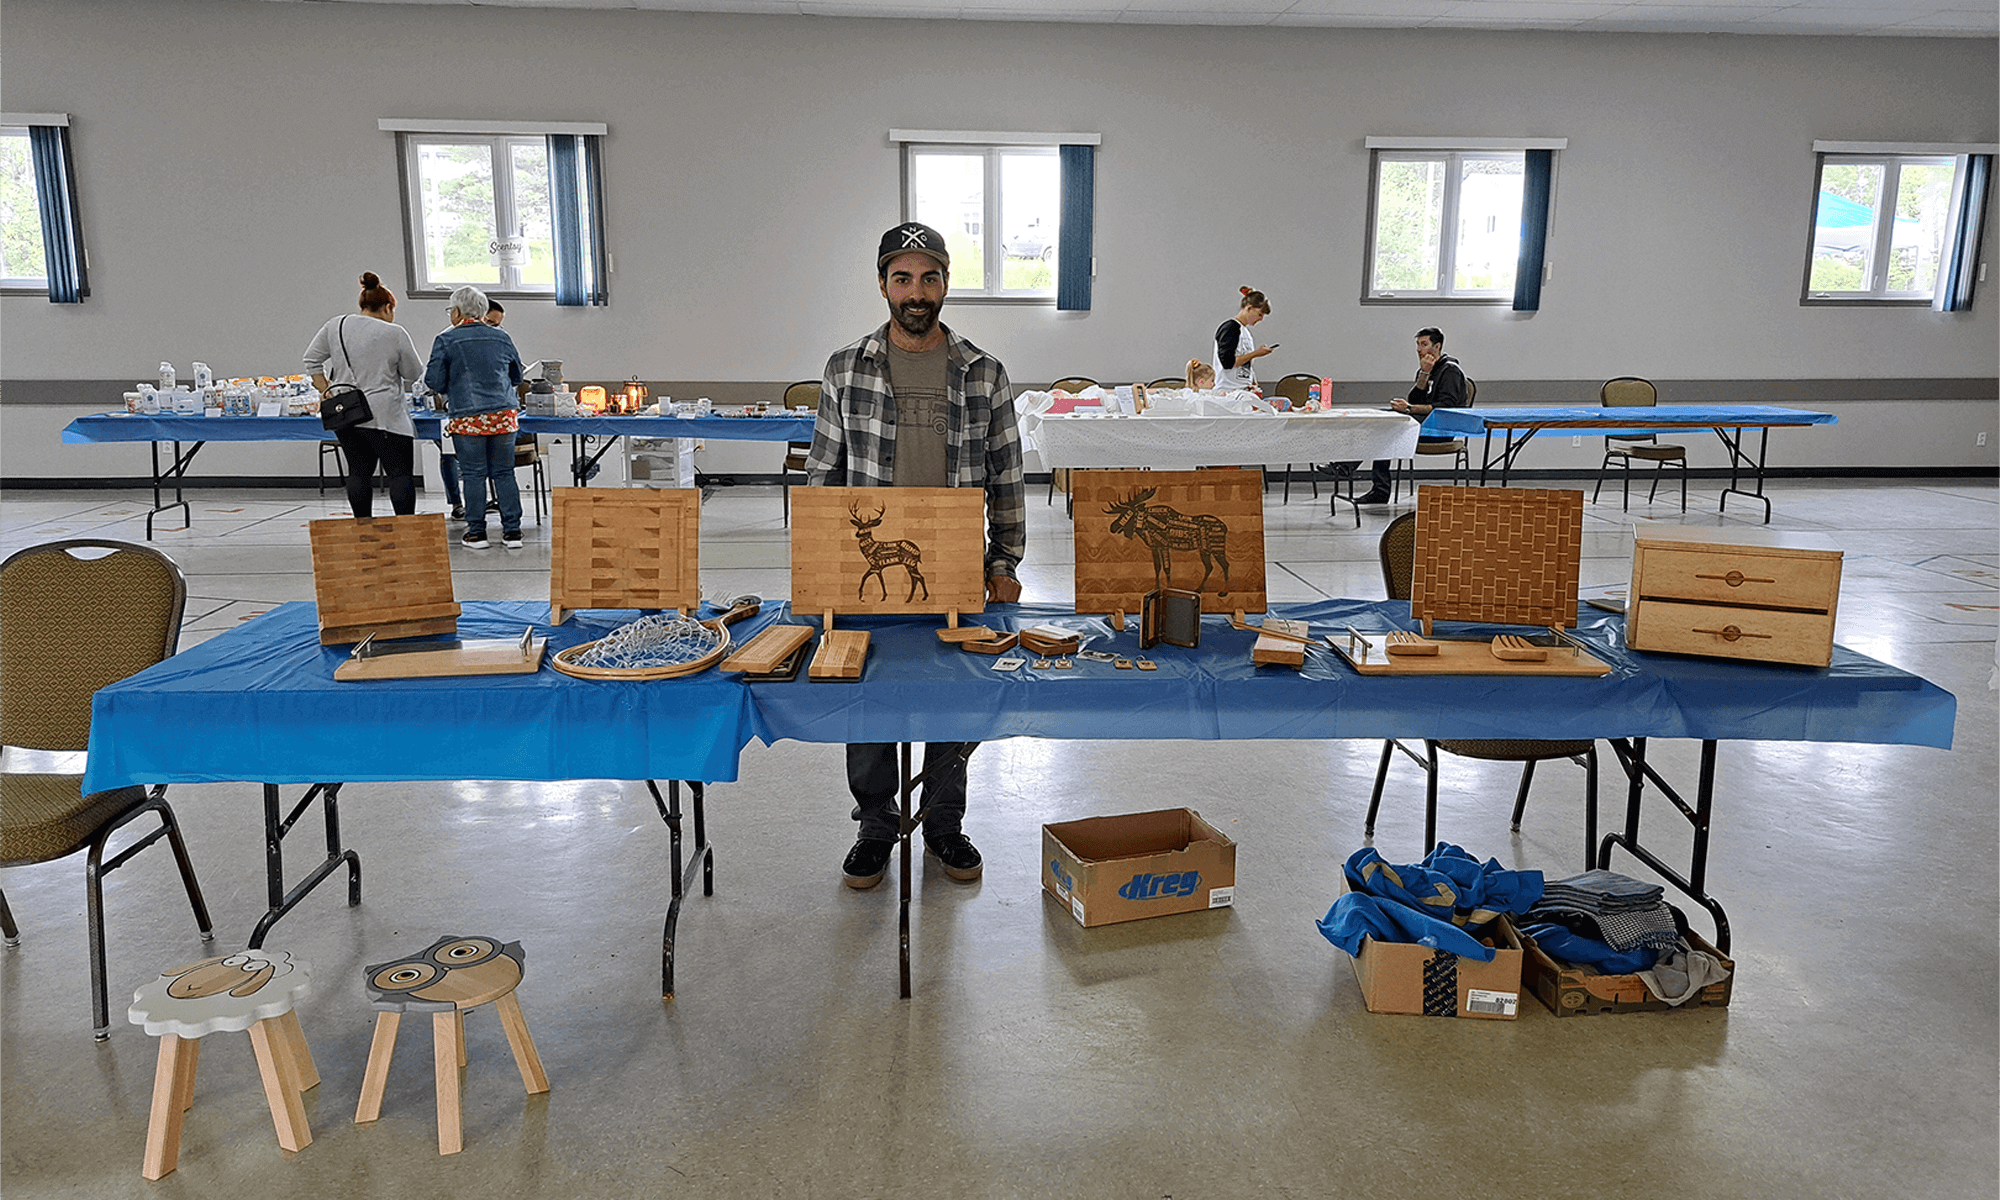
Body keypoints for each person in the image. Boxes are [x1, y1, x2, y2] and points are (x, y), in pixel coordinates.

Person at [806, 221, 1026, 890]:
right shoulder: (846, 368)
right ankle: (876, 826)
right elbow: (824, 475)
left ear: (946, 283)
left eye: (929, 277)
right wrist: (819, 566)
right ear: (882, 284)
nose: (917, 291)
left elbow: (1007, 477)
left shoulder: (984, 373)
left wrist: (1003, 563)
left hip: (956, 567)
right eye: (902, 278)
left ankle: (943, 824)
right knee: (867, 695)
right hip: (866, 574)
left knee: (953, 700)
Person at [303, 272, 426, 519]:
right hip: (385, 415)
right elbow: (414, 373)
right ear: (388, 307)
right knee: (399, 474)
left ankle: (362, 529)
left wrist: (326, 391)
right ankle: (406, 531)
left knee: (358, 472)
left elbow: (311, 360)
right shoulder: (394, 333)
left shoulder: (335, 325)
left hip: (347, 412)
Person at [424, 285, 524, 549]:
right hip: (504, 415)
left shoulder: (446, 339)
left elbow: (433, 380)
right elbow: (517, 377)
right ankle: (512, 532)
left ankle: (477, 533)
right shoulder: (502, 337)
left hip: (468, 417)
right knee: (504, 473)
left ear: (457, 312)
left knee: (473, 474)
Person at [1332, 326, 1470, 505]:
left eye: (1424, 344)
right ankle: (1356, 472)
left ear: (1437, 347)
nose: (1419, 349)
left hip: (1441, 429)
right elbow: (1415, 398)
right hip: (1423, 424)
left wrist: (1409, 409)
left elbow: (1446, 407)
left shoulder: (1450, 370)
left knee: (1385, 430)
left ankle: (1363, 478)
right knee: (1381, 419)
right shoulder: (1427, 369)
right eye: (1418, 345)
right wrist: (1424, 374)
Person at [1212, 286, 1275, 394]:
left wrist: (1252, 381)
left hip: (1242, 389)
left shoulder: (1245, 332)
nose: (1261, 319)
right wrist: (1255, 353)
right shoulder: (1230, 328)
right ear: (1249, 308)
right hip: (1228, 390)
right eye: (1260, 314)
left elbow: (1245, 362)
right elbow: (1228, 363)